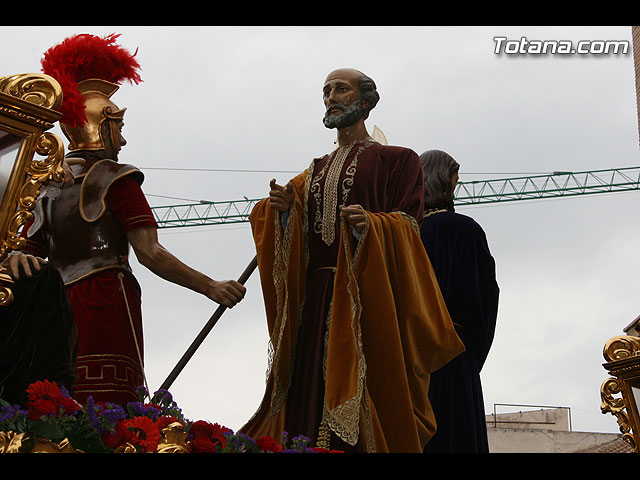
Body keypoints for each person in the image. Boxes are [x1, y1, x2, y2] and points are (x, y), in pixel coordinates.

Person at [4, 34, 246, 405]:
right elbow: (149, 253)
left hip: (54, 306)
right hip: (105, 299)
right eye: (118, 127)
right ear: (99, 125)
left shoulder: (44, 186)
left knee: (58, 402)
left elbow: (23, 253)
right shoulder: (117, 179)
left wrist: (14, 257)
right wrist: (210, 286)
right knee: (110, 409)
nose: (124, 140)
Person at [240, 68, 464, 453]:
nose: (331, 97)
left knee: (372, 394)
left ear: (365, 101)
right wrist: (281, 212)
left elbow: (410, 226)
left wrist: (371, 227)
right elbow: (290, 232)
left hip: (368, 302)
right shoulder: (312, 173)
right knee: (306, 396)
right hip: (317, 303)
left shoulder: (398, 160)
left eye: (341, 89)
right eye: (326, 91)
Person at [419, 149, 499, 453]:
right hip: (453, 355)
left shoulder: (403, 233)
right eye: (454, 182)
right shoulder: (465, 229)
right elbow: (484, 298)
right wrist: (471, 353)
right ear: (443, 183)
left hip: (408, 359)